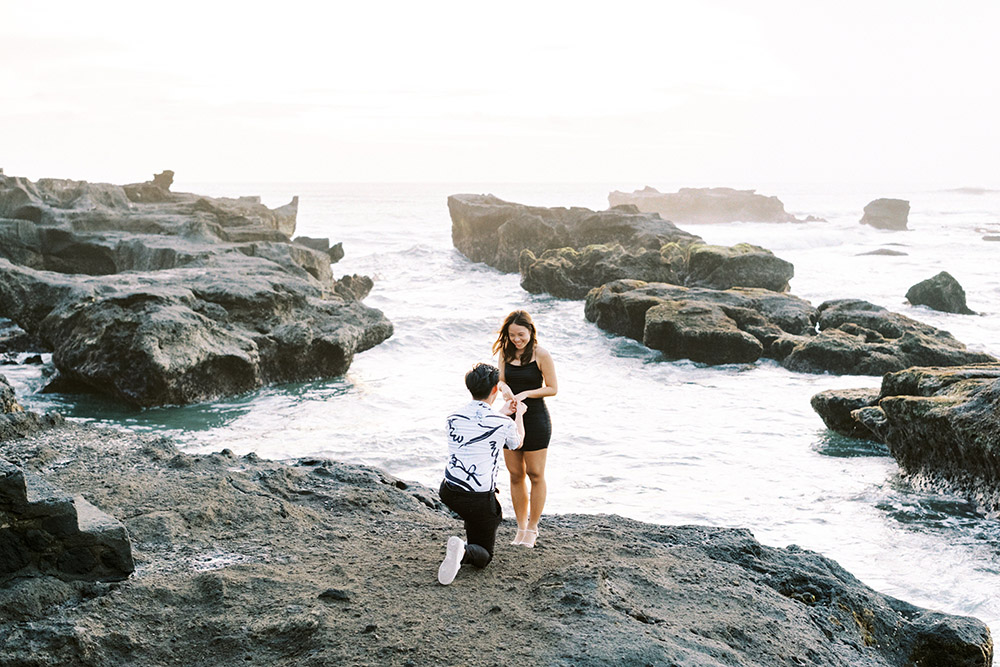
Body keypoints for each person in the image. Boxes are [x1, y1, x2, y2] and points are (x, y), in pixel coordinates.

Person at [437, 363, 526, 585]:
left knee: (475, 517)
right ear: (495, 390)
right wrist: (519, 415)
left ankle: (463, 542)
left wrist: (501, 414)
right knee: (485, 551)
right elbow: (517, 443)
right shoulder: (503, 423)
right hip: (478, 500)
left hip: (448, 491)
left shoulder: (452, 417)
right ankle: (464, 553)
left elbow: (478, 428)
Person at [493, 310, 558, 549]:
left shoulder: (541, 354)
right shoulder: (505, 353)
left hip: (536, 418)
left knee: (535, 474)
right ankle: (520, 527)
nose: (517, 339)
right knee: (515, 474)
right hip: (510, 417)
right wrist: (506, 391)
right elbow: (500, 381)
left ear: (531, 331)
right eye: (512, 335)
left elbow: (552, 388)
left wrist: (527, 393)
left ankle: (533, 528)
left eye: (521, 334)